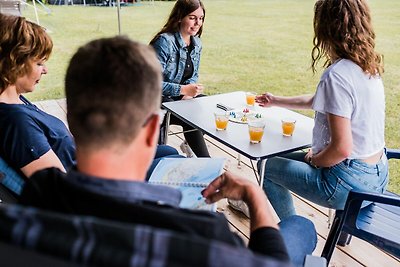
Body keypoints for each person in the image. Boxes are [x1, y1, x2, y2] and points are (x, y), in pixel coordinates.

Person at [19, 36, 316, 266]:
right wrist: (254, 193)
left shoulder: (40, 195)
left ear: (71, 116)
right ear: (151, 129)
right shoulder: (202, 235)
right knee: (301, 227)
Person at [0, 14, 180, 193]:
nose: (45, 70)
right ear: (14, 62)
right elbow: (59, 189)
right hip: (95, 185)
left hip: (89, 167)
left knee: (166, 151)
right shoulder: (16, 121)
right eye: (39, 63)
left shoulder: (16, 100)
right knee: (173, 161)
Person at [256, 0, 388, 221]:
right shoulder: (367, 66)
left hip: (348, 182)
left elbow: (341, 149)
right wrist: (275, 100)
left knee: (266, 167)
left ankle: (293, 228)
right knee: (274, 156)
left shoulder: (337, 75)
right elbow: (322, 101)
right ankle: (340, 231)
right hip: (378, 175)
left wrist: (314, 159)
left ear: (326, 27)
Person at [150, 0, 210, 158]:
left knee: (208, 106)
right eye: (192, 17)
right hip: (154, 99)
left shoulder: (196, 43)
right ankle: (207, 163)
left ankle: (191, 145)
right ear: (179, 17)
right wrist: (182, 90)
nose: (198, 23)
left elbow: (193, 75)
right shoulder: (164, 42)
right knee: (190, 117)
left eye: (201, 18)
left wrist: (188, 95)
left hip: (179, 98)